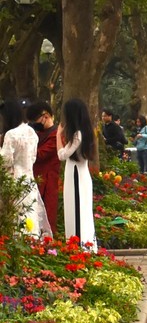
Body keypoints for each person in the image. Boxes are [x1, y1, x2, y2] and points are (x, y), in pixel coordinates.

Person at [1, 100, 49, 237]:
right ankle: (31, 245)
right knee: (28, 213)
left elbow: (5, 161)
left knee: (14, 216)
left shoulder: (11, 134)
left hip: (14, 179)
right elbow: (33, 157)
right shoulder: (32, 133)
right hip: (29, 179)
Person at [57, 98, 97, 252]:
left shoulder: (77, 135)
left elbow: (62, 155)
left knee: (76, 211)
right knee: (81, 210)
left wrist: (58, 137)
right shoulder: (84, 132)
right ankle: (83, 245)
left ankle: (78, 247)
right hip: (81, 174)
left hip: (75, 176)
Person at [25, 101, 60, 232]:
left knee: (47, 213)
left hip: (48, 181)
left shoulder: (56, 134)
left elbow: (40, 155)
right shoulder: (38, 133)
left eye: (36, 120)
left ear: (45, 116)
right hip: (35, 177)